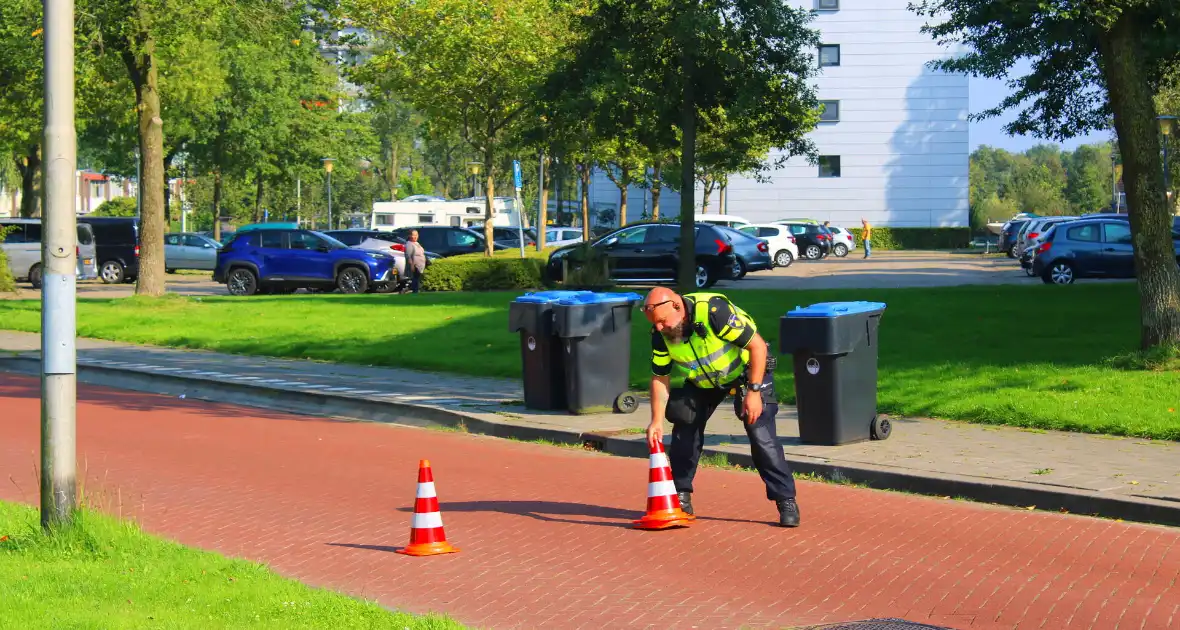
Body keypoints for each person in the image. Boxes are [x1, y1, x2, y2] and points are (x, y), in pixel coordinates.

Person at [642, 287, 800, 528]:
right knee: (684, 422)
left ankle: (785, 499)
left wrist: (754, 391)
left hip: (747, 372)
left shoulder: (714, 312)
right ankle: (681, 495)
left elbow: (757, 346)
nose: (660, 328)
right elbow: (660, 377)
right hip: (705, 381)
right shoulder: (660, 334)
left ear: (676, 306)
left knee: (760, 432)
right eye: (656, 324)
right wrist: (656, 420)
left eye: (662, 322)